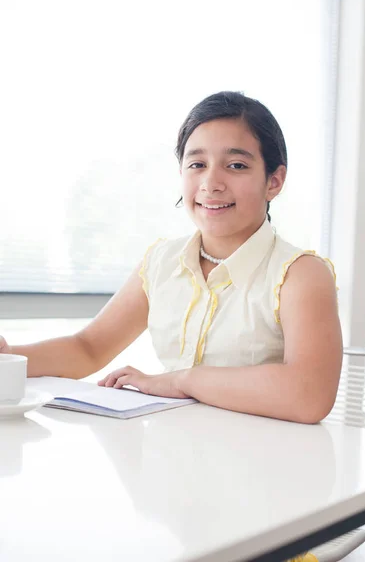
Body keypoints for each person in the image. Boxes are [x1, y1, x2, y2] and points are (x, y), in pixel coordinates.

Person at [0, 91, 342, 424]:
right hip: (176, 457)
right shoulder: (162, 261)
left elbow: (308, 396)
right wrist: (7, 356)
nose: (211, 183)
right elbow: (88, 349)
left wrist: (181, 380)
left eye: (236, 165)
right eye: (197, 164)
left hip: (272, 467)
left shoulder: (301, 274)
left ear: (274, 181)